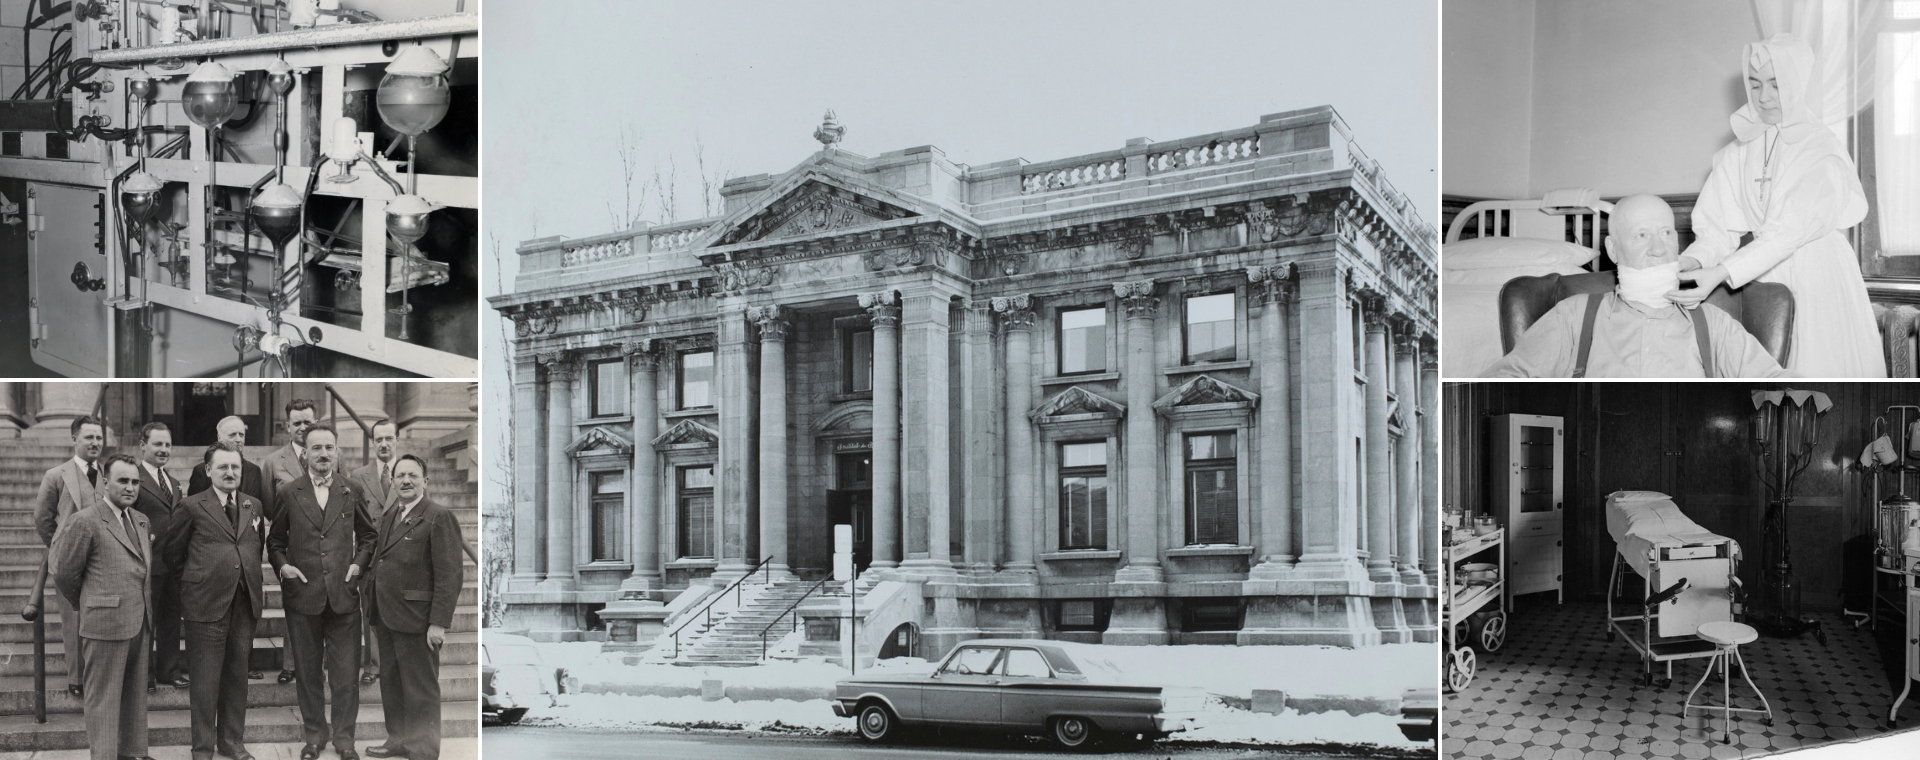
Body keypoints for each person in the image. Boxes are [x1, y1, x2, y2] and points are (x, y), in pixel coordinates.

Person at [1671, 33, 1886, 378]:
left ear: (1797, 83)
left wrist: (1722, 272)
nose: (1764, 97)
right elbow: (1716, 230)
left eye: (1776, 84)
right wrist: (1689, 262)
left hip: (1818, 276)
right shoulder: (1735, 152)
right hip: (1761, 275)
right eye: (1755, 85)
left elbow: (1788, 233)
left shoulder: (1822, 150)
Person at [1484, 195, 1792, 378]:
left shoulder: (1715, 326)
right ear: (1614, 250)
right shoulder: (1573, 317)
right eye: (1642, 235)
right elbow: (1507, 376)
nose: (1659, 248)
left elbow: (1777, 383)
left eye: (1666, 233)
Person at [268, 426, 377, 760]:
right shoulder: (289, 491)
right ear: (305, 454)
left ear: (337, 452)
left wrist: (358, 565)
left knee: (345, 677)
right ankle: (314, 737)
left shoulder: (352, 489)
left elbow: (369, 536)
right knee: (308, 673)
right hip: (304, 596)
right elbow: (275, 541)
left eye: (329, 447)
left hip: (343, 596)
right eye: (316, 448)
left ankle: (345, 741)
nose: (324, 454)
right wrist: (284, 567)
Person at [49, 454, 155, 760]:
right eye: (123, 481)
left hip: (139, 621)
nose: (130, 487)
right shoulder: (85, 520)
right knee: (104, 701)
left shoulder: (140, 520)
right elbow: (65, 573)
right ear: (105, 483)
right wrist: (92, 604)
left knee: (134, 697)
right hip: (105, 625)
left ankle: (132, 753)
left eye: (135, 482)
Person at [165, 442, 265, 760]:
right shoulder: (192, 506)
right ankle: (203, 748)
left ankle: (232, 742)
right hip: (205, 604)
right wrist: (199, 584)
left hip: (244, 601)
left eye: (235, 467)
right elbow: (172, 554)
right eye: (222, 467)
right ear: (208, 471)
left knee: (237, 676)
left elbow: (253, 547)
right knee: (206, 682)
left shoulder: (253, 506)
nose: (230, 472)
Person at [363, 454, 462, 760]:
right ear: (392, 482)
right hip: (387, 615)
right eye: (400, 475)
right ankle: (398, 740)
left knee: (420, 690)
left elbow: (450, 574)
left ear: (425, 482)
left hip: (419, 621)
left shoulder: (438, 516)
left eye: (412, 476)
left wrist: (438, 622)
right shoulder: (393, 513)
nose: (405, 480)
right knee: (392, 686)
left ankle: (422, 750)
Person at [186, 415, 274, 681]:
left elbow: (257, 533)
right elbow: (191, 522)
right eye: (232, 435)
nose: (238, 440)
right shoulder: (204, 474)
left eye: (241, 435)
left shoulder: (254, 472)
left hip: (244, 570)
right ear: (218, 436)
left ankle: (245, 664)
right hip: (212, 573)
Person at [35, 415, 108, 698]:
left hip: (102, 559)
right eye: (89, 437)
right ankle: (76, 679)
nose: (95, 442)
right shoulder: (56, 475)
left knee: (100, 619)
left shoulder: (108, 474)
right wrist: (61, 547)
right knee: (73, 620)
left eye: (99, 438)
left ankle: (98, 674)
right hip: (70, 562)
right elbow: (43, 519)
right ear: (74, 439)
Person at [131, 422, 190, 691]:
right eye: (157, 444)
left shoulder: (174, 482)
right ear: (143, 445)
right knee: (145, 624)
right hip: (145, 564)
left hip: (172, 566)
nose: (164, 449)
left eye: (167, 444)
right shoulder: (134, 479)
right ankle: (144, 675)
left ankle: (169, 670)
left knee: (170, 620)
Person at [349, 420, 401, 685]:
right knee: (369, 614)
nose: (383, 444)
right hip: (369, 557)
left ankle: (395, 666)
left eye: (388, 439)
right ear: (372, 443)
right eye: (378, 439)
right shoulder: (359, 476)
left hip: (399, 558)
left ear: (397, 441)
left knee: (397, 612)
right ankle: (372, 667)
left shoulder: (407, 473)